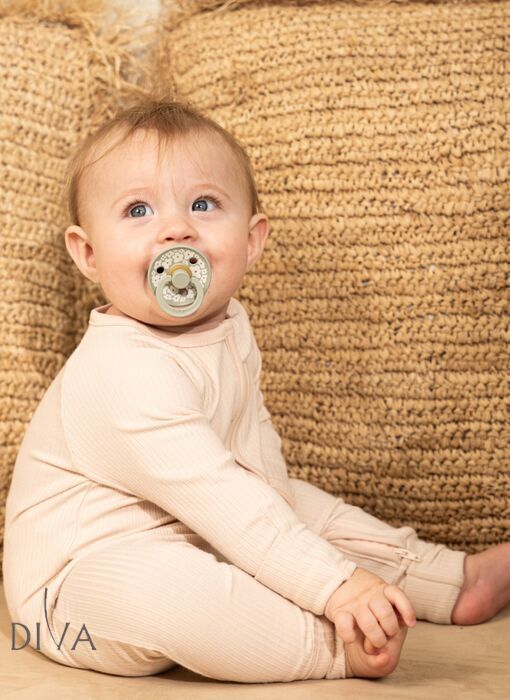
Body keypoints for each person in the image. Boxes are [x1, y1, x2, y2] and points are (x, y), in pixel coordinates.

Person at [3, 98, 509, 684]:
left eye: (203, 204)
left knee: (299, 505)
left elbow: (253, 456)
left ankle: (450, 580)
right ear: (89, 253)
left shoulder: (229, 326)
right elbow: (223, 500)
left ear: (251, 240)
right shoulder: (119, 372)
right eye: (138, 209)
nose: (176, 229)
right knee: (174, 590)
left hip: (195, 524)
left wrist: (296, 534)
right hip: (75, 591)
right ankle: (333, 647)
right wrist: (333, 584)